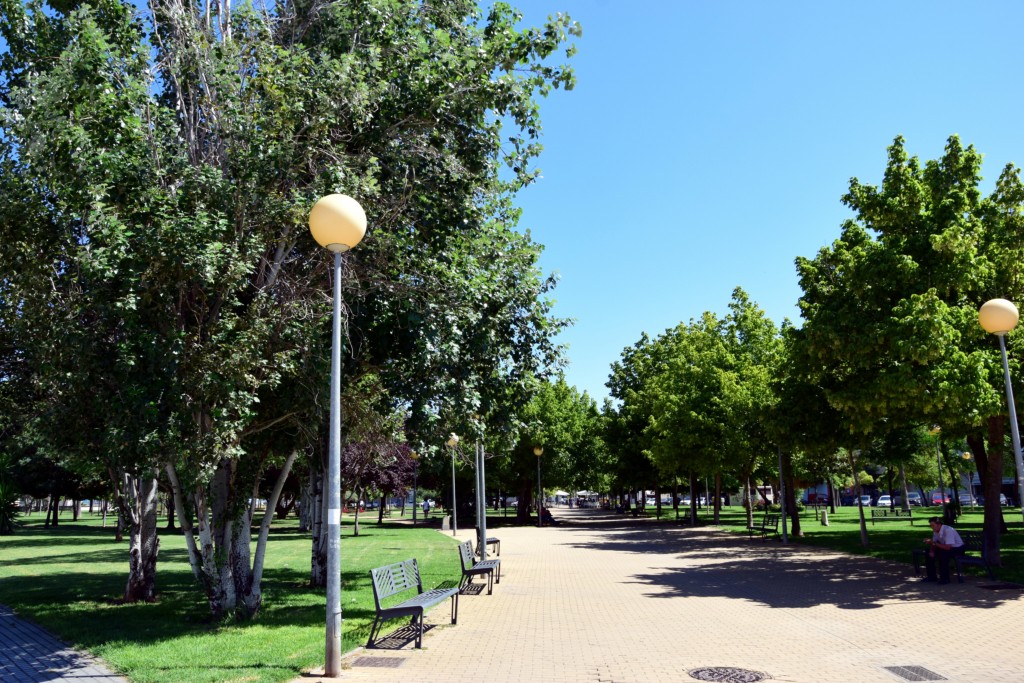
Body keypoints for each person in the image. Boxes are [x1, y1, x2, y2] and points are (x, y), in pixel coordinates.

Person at [922, 516, 965, 584]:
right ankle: (932, 577)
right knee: (928, 553)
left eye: (933, 525)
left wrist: (933, 543)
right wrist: (932, 551)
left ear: (939, 525)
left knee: (943, 554)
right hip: (946, 547)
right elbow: (934, 543)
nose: (931, 527)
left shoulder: (948, 530)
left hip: (957, 548)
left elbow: (947, 547)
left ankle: (945, 579)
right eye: (930, 525)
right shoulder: (935, 530)